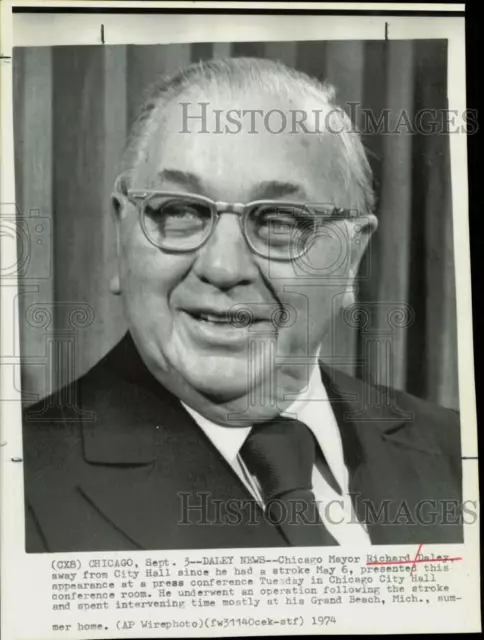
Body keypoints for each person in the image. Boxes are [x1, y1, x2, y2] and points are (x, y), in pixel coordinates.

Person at [23, 57, 462, 552]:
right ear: (122, 235)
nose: (223, 267)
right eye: (181, 211)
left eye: (279, 220)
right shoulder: (19, 486)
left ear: (352, 256)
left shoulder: (455, 453)